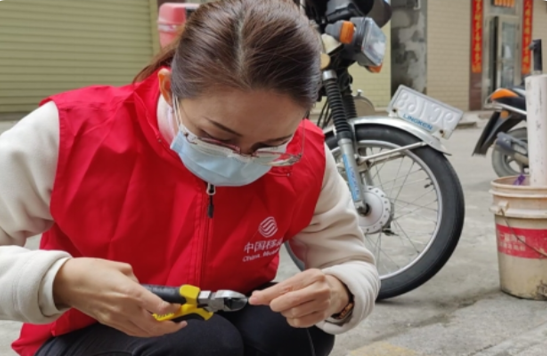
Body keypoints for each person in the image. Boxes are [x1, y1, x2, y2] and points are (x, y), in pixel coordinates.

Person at [0, 0, 380, 355]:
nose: (241, 159)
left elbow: (349, 260)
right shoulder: (72, 131)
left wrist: (338, 291)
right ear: (169, 89)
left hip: (221, 313)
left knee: (289, 326)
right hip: (87, 331)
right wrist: (60, 280)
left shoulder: (307, 153)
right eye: (217, 136)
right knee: (198, 342)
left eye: (270, 144)